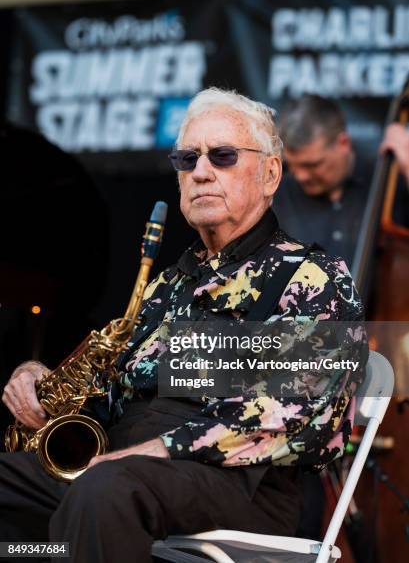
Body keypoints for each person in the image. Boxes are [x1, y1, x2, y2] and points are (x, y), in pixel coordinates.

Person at [0, 88, 367, 563]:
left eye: (223, 156)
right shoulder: (168, 284)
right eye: (187, 158)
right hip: (123, 470)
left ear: (270, 173)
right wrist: (40, 381)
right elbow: (110, 396)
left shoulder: (315, 277)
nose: (200, 171)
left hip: (240, 484)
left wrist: (156, 451)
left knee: (104, 490)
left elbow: (304, 419)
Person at [274, 95, 409, 268]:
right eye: (291, 165)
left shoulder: (390, 184)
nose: (300, 176)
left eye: (312, 165)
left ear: (343, 143)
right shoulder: (277, 194)